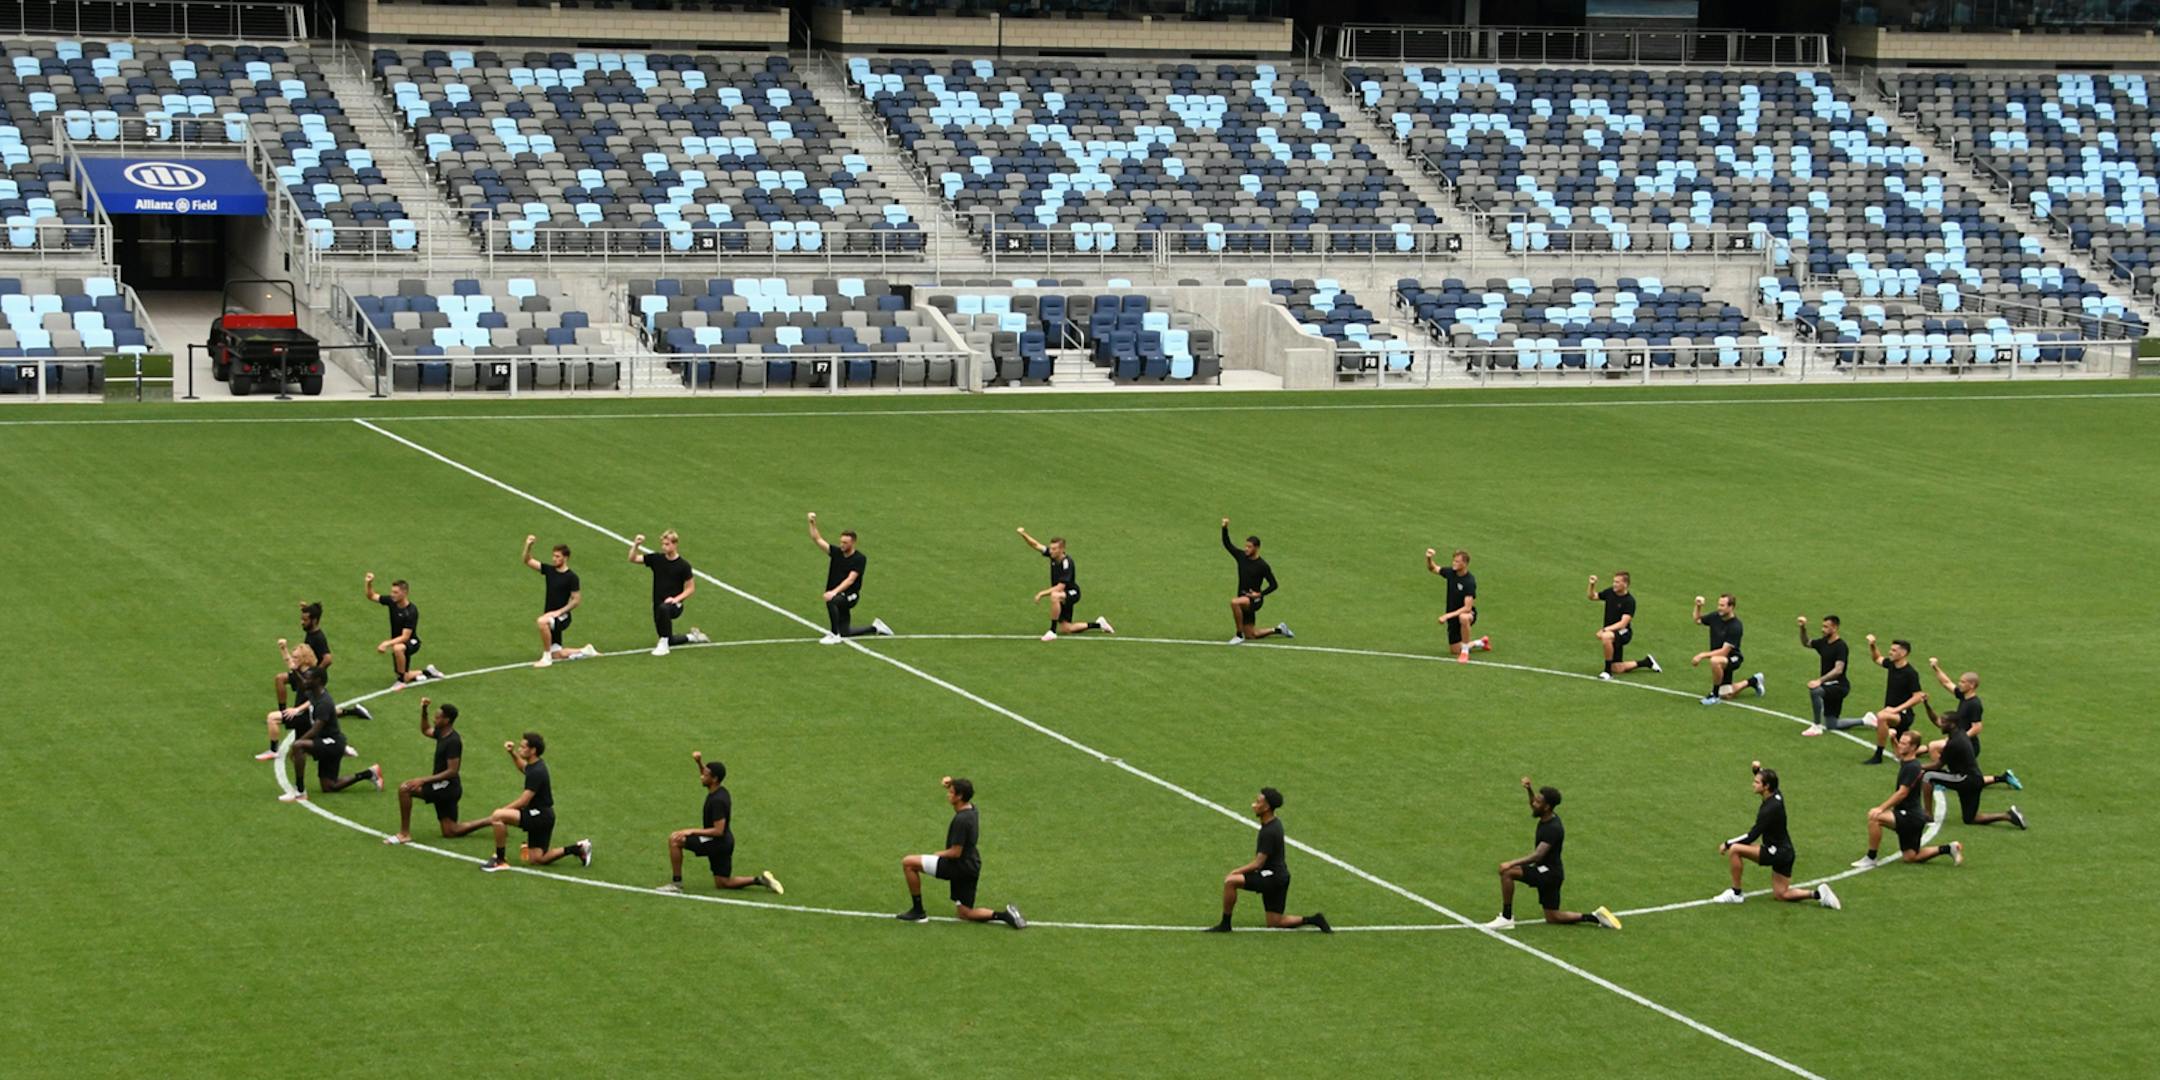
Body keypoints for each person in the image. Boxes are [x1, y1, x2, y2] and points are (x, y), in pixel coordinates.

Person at [1484, 778, 1620, 930]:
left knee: (1508, 872)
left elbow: (1538, 855)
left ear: (1547, 807)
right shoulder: (1546, 815)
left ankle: (1506, 917)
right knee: (1553, 917)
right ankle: (1595, 917)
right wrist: (1529, 789)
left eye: (1538, 802)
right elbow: (1533, 804)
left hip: (1548, 873)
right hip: (1553, 873)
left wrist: (1510, 863)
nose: (1533, 803)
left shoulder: (1553, 828)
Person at [897, 776, 1024, 928]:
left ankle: (918, 911)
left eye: (951, 792)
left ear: (960, 796)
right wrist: (952, 784)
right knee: (965, 913)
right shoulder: (972, 810)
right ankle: (1005, 915)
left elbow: (955, 853)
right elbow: (964, 792)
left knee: (909, 863)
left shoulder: (961, 821)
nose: (948, 795)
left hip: (957, 866)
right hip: (971, 866)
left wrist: (938, 854)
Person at [1711, 762, 1840, 909]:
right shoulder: (1777, 794)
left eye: (1756, 782)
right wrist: (1757, 770)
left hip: (1775, 852)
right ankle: (1818, 894)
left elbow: (1751, 836)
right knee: (1781, 894)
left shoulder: (1769, 810)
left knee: (1735, 849)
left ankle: (1736, 893)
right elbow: (1770, 779)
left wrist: (1727, 843)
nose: (1753, 784)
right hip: (1787, 852)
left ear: (1766, 787)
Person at [1205, 787, 1331, 932]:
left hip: (1273, 878)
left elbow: (1258, 863)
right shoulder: (1273, 824)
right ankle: (1314, 919)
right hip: (1279, 877)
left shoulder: (1269, 832)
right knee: (1275, 922)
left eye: (1258, 802)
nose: (1254, 805)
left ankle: (1225, 924)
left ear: (1266, 807)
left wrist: (1236, 871)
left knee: (1230, 881)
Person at [658, 751, 783, 894]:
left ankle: (676, 884)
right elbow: (707, 774)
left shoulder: (718, 801)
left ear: (714, 779)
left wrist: (691, 831)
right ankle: (761, 880)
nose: (701, 776)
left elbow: (718, 831)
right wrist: (699, 762)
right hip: (725, 842)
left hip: (716, 842)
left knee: (675, 839)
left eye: (705, 775)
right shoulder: (719, 790)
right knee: (723, 882)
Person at [478, 731, 592, 872]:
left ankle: (500, 860)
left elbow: (524, 801)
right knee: (537, 859)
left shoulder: (537, 772)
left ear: (533, 750)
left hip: (539, 816)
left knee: (498, 816)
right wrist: (512, 753)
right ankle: (578, 848)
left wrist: (503, 810)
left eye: (523, 747)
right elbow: (523, 767)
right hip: (544, 815)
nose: (520, 749)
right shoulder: (535, 765)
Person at [385, 697, 489, 846]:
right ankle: (491, 820)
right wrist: (424, 710)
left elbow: (452, 771)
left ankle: (404, 834)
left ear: (447, 720)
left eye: (438, 717)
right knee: (450, 831)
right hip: (444, 786)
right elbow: (425, 730)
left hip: (446, 788)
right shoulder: (442, 733)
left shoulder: (453, 741)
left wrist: (423, 780)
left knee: (405, 789)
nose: (435, 720)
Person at [1855, 729, 1962, 868]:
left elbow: (1902, 793)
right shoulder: (1908, 761)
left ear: (1913, 747)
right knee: (1910, 857)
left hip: (1910, 816)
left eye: (1904, 744)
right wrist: (1893, 740)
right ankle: (1949, 848)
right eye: (1901, 742)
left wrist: (1881, 808)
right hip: (1914, 817)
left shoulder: (1912, 767)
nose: (1900, 745)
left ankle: (1871, 857)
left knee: (1875, 818)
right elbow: (1898, 754)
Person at [276, 667, 382, 803]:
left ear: (317, 680)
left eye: (308, 678)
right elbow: (302, 683)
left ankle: (300, 791)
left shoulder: (324, 703)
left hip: (332, 742)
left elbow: (315, 730)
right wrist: (295, 669)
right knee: (329, 786)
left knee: (299, 746)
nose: (305, 680)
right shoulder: (314, 693)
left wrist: (296, 745)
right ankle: (370, 773)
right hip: (327, 742)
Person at [1917, 700, 2026, 831]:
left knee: (1928, 776)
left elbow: (1937, 765)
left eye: (1944, 722)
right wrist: (1927, 705)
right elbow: (1936, 721)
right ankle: (2008, 815)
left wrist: (1917, 766)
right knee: (1970, 818)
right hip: (1975, 780)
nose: (1941, 725)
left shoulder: (1954, 743)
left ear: (1952, 725)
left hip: (1964, 779)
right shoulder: (1960, 733)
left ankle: (1928, 814)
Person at [1924, 657, 2021, 792]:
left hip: (1968, 745)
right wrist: (1936, 667)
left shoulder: (1975, 704)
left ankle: (1940, 780)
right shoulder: (1963, 696)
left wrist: (1959, 739)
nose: (1959, 684)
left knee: (1935, 747)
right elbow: (1946, 683)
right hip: (1963, 743)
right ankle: (2004, 777)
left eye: (1963, 682)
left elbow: (1977, 727)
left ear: (1972, 685)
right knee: (1971, 779)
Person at [809, 512, 893, 644]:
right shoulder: (836, 553)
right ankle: (876, 628)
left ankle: (834, 634)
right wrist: (812, 523)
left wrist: (833, 592)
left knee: (832, 601)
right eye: (841, 542)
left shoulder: (859, 559)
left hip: (850, 595)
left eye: (845, 543)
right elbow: (817, 539)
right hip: (839, 593)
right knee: (846, 632)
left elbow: (850, 579)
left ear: (853, 543)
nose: (841, 544)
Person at [1017, 528, 1113, 640]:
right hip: (1063, 593)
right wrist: (1023, 534)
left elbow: (1060, 587)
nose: (1051, 551)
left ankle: (1052, 631)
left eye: (1054, 549)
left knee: (1055, 596)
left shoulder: (1067, 563)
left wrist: (1042, 593)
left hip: (1072, 593)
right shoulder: (1053, 555)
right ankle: (1099, 624)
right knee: (1067, 628)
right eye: (1051, 548)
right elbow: (1036, 545)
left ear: (1062, 549)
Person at [524, 535, 598, 668]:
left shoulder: (572, 577)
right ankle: (585, 650)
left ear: (565, 558)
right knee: (557, 654)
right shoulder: (549, 571)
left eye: (557, 556)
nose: (554, 559)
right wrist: (528, 546)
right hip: (551, 615)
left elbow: (576, 600)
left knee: (542, 622)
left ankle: (546, 659)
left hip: (562, 617)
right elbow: (527, 560)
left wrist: (558, 612)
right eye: (553, 556)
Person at [628, 530, 705, 657]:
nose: (664, 547)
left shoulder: (683, 566)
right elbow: (633, 558)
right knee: (668, 638)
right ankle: (693, 637)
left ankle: (663, 646)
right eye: (663, 544)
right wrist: (636, 545)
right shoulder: (657, 559)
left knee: (664, 613)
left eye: (667, 544)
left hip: (674, 605)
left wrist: (676, 599)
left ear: (675, 544)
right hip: (658, 604)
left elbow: (690, 588)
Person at [364, 573, 444, 689]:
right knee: (404, 674)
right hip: (399, 642)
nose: (392, 595)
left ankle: (401, 681)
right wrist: (369, 583)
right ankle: (427, 672)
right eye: (392, 592)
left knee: (397, 648)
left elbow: (405, 637)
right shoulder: (392, 601)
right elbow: (371, 596)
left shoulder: (411, 611)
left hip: (412, 642)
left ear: (405, 593)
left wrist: (386, 643)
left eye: (396, 592)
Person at [1860, 635, 1928, 764]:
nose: (1890, 652)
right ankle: (1927, 748)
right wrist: (1872, 645)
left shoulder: (1910, 673)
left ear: (1903, 653)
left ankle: (1878, 755)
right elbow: (1877, 658)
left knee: (1881, 717)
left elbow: (1918, 697)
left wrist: (1896, 710)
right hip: (1892, 713)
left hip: (1904, 715)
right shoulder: (1892, 665)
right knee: (1900, 755)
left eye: (1894, 650)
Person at [1222, 519, 1291, 643]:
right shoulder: (1241, 557)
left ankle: (1239, 635)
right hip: (1243, 598)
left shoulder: (1262, 566)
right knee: (1251, 634)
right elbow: (1228, 544)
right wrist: (1224, 528)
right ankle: (1279, 629)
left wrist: (1259, 594)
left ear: (1257, 548)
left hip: (1254, 600)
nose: (1246, 549)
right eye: (1246, 546)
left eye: (1249, 547)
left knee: (1234, 603)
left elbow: (1274, 585)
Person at [1692, 594, 1763, 705]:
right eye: (1719, 605)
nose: (1719, 608)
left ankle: (1714, 695)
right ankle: (1754, 681)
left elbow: (1724, 652)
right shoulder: (1715, 616)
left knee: (1715, 660)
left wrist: (1702, 655)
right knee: (1726, 694)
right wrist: (1698, 606)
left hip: (1733, 658)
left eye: (1722, 605)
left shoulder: (1735, 626)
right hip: (1722, 659)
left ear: (1731, 607)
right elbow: (1697, 620)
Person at [1798, 614, 1858, 737]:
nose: (1822, 629)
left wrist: (1819, 681)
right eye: (1823, 626)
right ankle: (1866, 720)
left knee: (1815, 691)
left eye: (1826, 627)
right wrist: (1803, 628)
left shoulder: (1841, 646)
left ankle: (1816, 726)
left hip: (1839, 686)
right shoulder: (1823, 642)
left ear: (1835, 628)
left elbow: (1838, 670)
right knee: (1832, 724)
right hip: (1828, 686)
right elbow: (1806, 643)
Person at [1590, 573, 1656, 679]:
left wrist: (1605, 629)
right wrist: (1592, 585)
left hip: (1623, 632)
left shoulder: (1629, 601)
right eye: (1614, 581)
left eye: (1617, 582)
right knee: (1617, 668)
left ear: (1625, 584)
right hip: (1612, 631)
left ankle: (1607, 672)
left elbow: (1623, 624)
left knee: (1606, 637)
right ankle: (1646, 662)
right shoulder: (1610, 592)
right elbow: (1592, 597)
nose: (1614, 584)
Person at [1429, 547, 1489, 663]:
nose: (1454, 563)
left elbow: (1467, 608)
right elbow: (1433, 568)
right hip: (1453, 616)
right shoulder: (1451, 573)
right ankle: (1481, 642)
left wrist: (1447, 616)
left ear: (1465, 564)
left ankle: (1465, 653)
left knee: (1464, 617)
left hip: (1468, 613)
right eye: (1454, 561)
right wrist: (1429, 558)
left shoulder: (1469, 581)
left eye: (1457, 561)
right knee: (1455, 650)